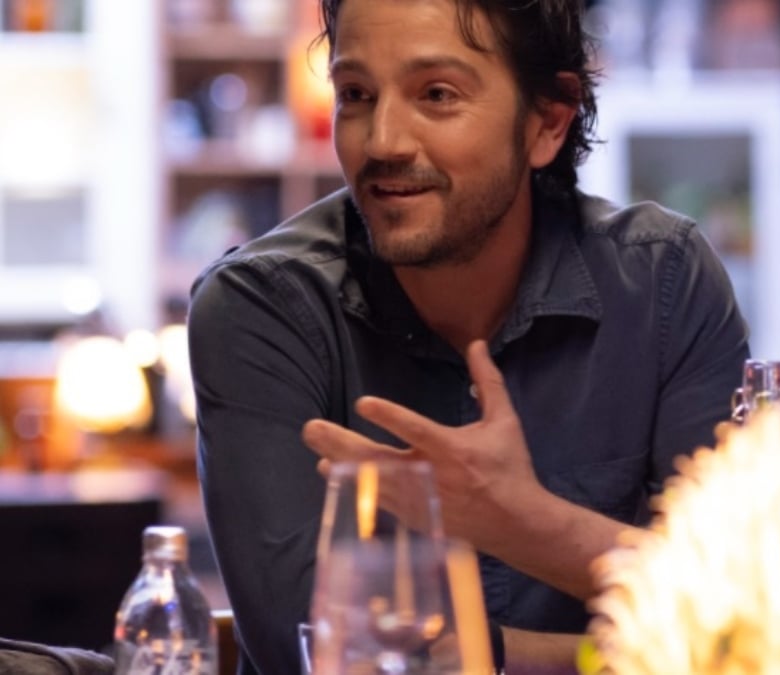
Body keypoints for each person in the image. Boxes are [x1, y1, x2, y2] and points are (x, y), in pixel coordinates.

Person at [187, 0, 750, 673]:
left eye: (437, 94)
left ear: (548, 121)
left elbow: (749, 623)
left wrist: (522, 522)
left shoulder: (664, 284)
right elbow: (312, 650)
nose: (384, 140)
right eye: (357, 94)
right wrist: (607, 649)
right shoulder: (263, 308)